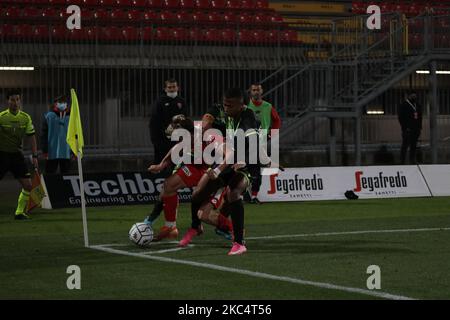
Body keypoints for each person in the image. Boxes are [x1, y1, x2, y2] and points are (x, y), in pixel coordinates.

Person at [179, 88, 260, 256]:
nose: (226, 109)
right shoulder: (228, 116)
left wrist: (218, 169)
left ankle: (239, 243)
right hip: (230, 161)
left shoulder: (248, 117)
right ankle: (196, 227)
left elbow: (247, 144)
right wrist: (185, 123)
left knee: (233, 192)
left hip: (247, 163)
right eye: (224, 105)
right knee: (197, 192)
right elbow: (204, 127)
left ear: (241, 106)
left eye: (230, 106)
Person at [143, 116, 210, 241]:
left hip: (206, 169)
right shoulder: (191, 133)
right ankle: (159, 224)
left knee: (170, 186)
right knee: (166, 189)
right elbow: (176, 148)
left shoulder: (201, 135)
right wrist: (161, 165)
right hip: (195, 164)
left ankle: (170, 227)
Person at [0, 89, 39, 220]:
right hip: (2, 155)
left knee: (28, 186)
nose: (15, 102)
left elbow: (31, 137)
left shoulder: (25, 118)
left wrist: (35, 156)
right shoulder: (1, 117)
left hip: (17, 156)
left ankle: (19, 212)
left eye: (17, 99)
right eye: (12, 100)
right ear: (7, 101)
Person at [246, 83, 281, 204]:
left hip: (261, 144)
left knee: (256, 171)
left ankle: (253, 196)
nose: (256, 92)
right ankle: (243, 193)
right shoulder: (246, 106)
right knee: (243, 168)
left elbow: (276, 120)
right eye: (254, 90)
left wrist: (272, 134)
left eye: (258, 90)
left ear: (262, 92)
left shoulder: (268, 106)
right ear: (250, 92)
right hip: (245, 143)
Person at [149, 79, 188, 164]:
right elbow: (154, 122)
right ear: (165, 89)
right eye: (169, 87)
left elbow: (185, 119)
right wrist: (156, 140)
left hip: (178, 139)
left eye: (174, 87)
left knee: (177, 163)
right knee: (162, 163)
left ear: (177, 88)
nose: (172, 89)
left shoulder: (181, 101)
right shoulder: (159, 102)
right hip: (163, 140)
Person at [41, 94, 72, 174]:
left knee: (66, 177)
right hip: (51, 152)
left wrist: (74, 151)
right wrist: (44, 150)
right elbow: (44, 134)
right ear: (55, 104)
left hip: (66, 152)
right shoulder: (49, 116)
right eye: (60, 102)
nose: (62, 104)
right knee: (49, 176)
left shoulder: (71, 117)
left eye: (64, 102)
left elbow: (75, 135)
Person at [398, 92, 423, 164]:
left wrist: (419, 127)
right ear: (408, 96)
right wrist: (405, 127)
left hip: (416, 129)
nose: (414, 97)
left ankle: (412, 160)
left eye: (415, 96)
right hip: (407, 129)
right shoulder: (404, 105)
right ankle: (402, 160)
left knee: (414, 145)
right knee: (405, 145)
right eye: (412, 96)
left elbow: (420, 117)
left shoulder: (417, 105)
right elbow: (401, 117)